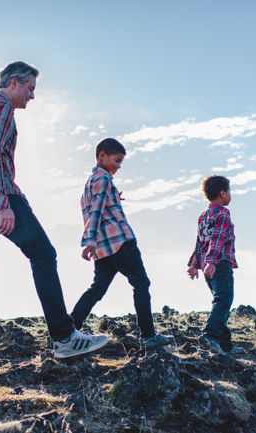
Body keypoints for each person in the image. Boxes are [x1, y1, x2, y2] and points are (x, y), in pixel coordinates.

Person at [0, 61, 108, 381]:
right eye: (30, 89)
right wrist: (3, 203)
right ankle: (65, 338)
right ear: (13, 83)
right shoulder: (1, 109)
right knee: (43, 254)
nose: (32, 96)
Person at [71, 138, 174, 349]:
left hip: (103, 248)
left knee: (97, 288)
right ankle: (148, 335)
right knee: (141, 283)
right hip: (119, 243)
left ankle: (69, 328)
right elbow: (97, 210)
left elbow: (96, 208)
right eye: (116, 160)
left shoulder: (89, 182)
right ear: (102, 156)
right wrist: (88, 241)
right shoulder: (104, 179)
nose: (118, 166)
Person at [186, 175, 245, 355]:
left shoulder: (203, 216)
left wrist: (193, 264)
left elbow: (200, 242)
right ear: (222, 193)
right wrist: (211, 262)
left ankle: (226, 345)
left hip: (206, 267)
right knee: (223, 300)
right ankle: (210, 335)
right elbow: (216, 240)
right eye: (229, 191)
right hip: (218, 265)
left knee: (221, 303)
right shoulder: (223, 214)